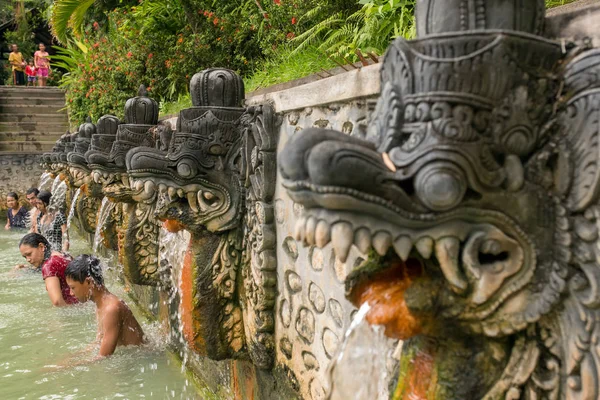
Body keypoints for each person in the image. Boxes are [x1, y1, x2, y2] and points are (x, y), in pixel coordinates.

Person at [66, 255, 145, 357]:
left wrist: (65, 368)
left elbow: (103, 358)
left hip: (142, 358)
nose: (71, 293)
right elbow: (98, 342)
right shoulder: (101, 304)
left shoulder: (111, 309)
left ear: (89, 282)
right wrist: (70, 358)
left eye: (73, 287)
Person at [18, 233, 78, 306]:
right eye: (25, 257)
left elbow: (57, 302)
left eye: (29, 254)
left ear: (41, 246)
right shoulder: (62, 255)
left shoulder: (48, 265)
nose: (28, 259)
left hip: (73, 307)